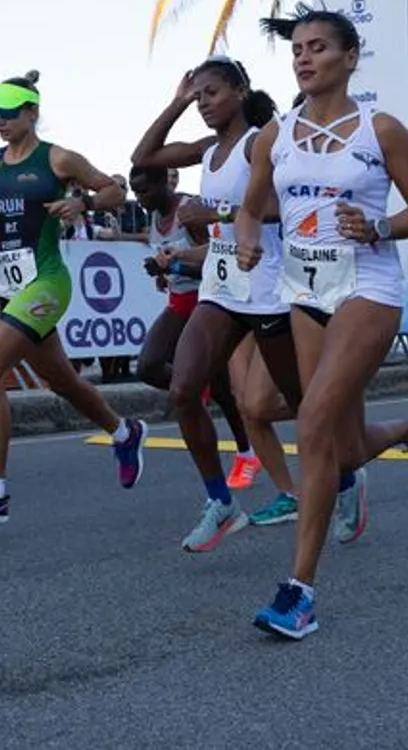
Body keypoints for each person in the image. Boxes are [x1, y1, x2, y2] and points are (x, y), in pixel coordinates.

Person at [237, 9, 408, 641]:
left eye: (319, 47)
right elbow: (251, 210)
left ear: (350, 57)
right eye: (298, 49)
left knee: (316, 419)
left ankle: (299, 591)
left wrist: (379, 226)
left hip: (368, 286)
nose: (304, 59)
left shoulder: (380, 130)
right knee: (345, 445)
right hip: (305, 291)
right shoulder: (276, 135)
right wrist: (247, 242)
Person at [0, 72, 147, 523]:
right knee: (64, 382)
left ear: (32, 112)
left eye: (10, 113)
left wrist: (82, 205)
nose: (1, 121)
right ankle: (124, 431)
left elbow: (114, 188)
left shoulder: (58, 159)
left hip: (48, 280)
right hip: (12, 286)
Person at [131, 58, 304, 547]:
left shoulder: (261, 141)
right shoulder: (207, 150)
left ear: (240, 91)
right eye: (199, 95)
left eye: (211, 93)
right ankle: (221, 503)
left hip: (267, 286)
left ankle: (348, 476)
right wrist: (178, 101)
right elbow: (143, 156)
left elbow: (283, 208)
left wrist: (220, 210)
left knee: (301, 401)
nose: (205, 103)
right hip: (222, 286)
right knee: (183, 389)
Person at [128, 163, 277, 542]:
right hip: (179, 301)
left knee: (237, 392)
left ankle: (250, 451)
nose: (141, 198)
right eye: (136, 191)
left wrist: (176, 262)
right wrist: (163, 271)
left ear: (166, 182)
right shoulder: (155, 218)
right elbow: (175, 264)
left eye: (146, 190)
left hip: (208, 301)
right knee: (150, 367)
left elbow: (215, 259)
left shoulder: (189, 212)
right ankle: (222, 425)